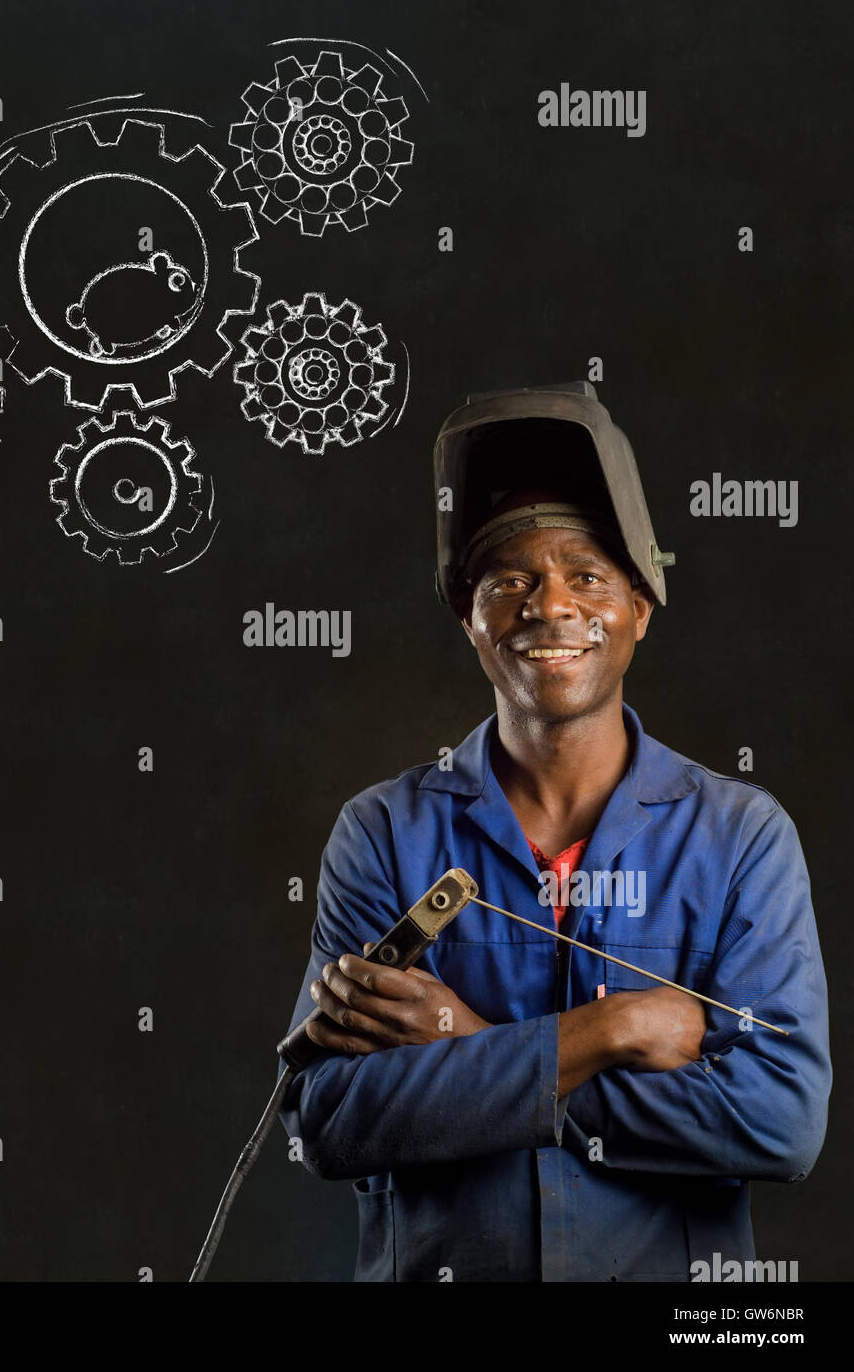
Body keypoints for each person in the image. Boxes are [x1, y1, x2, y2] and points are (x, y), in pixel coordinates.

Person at [277, 382, 831, 1282]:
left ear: (640, 608)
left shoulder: (741, 838)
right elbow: (334, 1117)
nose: (551, 606)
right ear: (471, 619)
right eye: (511, 581)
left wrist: (467, 1041)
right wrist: (607, 1032)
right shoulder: (383, 833)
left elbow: (779, 1119)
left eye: (587, 576)